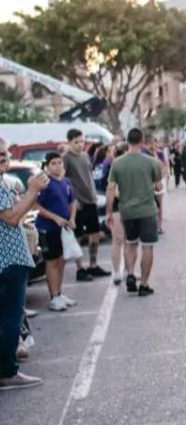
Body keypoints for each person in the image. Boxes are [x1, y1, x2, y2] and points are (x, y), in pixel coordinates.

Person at [1, 149, 48, 390]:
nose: (3, 158)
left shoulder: (4, 183)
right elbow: (10, 217)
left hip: (9, 261)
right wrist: (32, 190)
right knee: (11, 316)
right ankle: (7, 372)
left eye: (4, 154)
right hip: (8, 261)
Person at [107, 128, 164, 296]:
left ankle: (130, 273)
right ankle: (144, 284)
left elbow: (111, 189)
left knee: (130, 243)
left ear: (127, 141)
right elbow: (159, 186)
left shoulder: (117, 163)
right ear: (142, 140)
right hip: (147, 210)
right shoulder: (152, 162)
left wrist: (109, 212)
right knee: (147, 246)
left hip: (127, 211)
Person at [63, 128, 109, 281]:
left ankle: (93, 265)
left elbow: (88, 176)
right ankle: (80, 268)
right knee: (78, 236)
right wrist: (72, 200)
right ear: (69, 142)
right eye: (76, 142)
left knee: (95, 233)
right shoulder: (66, 158)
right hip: (78, 202)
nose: (80, 145)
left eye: (82, 141)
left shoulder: (84, 156)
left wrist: (94, 195)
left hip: (91, 200)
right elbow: (63, 179)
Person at [35, 151, 77, 312]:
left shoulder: (66, 181)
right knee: (51, 262)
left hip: (64, 229)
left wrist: (72, 217)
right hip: (48, 228)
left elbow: (72, 201)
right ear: (47, 166)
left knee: (61, 260)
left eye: (59, 162)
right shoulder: (45, 184)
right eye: (53, 163)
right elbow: (36, 206)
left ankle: (59, 293)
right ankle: (53, 297)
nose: (57, 166)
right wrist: (54, 218)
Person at [105, 143, 129, 285]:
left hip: (129, 207)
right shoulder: (113, 168)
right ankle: (116, 271)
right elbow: (111, 190)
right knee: (118, 239)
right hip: (117, 208)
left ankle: (128, 269)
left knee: (129, 240)